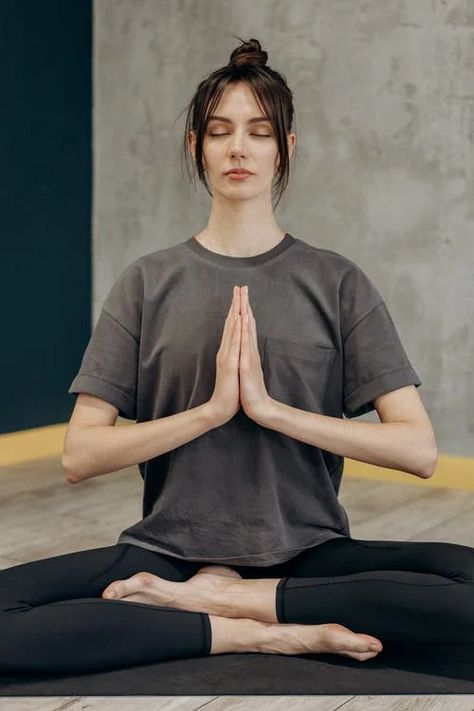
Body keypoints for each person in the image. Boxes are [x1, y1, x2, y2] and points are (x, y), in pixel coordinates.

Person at [1, 36, 473, 677]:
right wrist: (213, 410)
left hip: (309, 552)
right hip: (167, 554)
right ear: (196, 147)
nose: (239, 148)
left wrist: (273, 410)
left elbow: (417, 450)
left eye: (259, 132)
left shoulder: (336, 282)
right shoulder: (147, 282)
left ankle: (238, 600)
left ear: (286, 149)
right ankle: (254, 632)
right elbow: (81, 454)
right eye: (220, 131)